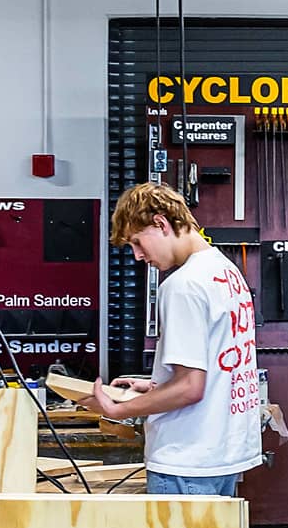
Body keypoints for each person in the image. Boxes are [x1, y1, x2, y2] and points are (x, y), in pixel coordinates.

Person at [93, 183, 264, 494]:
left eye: (137, 242)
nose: (137, 256)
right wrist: (155, 386)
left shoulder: (184, 285)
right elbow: (210, 368)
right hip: (220, 455)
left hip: (186, 462)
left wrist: (119, 410)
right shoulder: (226, 271)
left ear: (161, 223)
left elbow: (190, 388)